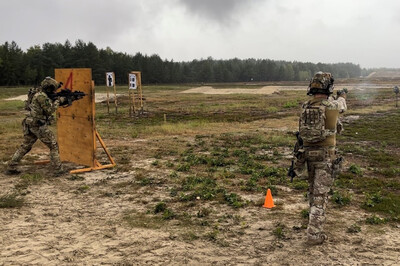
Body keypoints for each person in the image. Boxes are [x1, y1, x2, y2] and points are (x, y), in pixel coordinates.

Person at [293, 71, 347, 245]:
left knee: (312, 192)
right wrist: (342, 96)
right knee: (320, 196)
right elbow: (342, 106)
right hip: (325, 157)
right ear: (328, 87)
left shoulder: (306, 106)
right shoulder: (332, 106)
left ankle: (312, 223)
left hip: (307, 156)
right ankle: (314, 235)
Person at [5, 77, 66, 176]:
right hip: (38, 124)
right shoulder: (41, 96)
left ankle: (11, 167)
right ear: (49, 88)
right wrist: (58, 101)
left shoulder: (38, 93)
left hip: (30, 123)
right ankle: (58, 169)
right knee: (53, 145)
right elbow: (49, 110)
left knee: (25, 146)